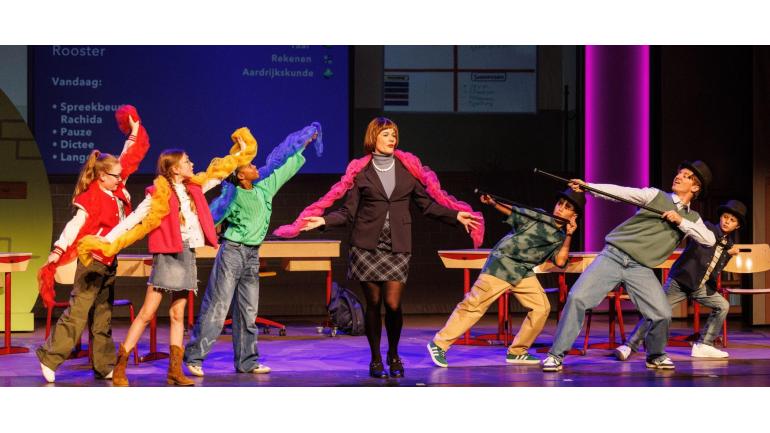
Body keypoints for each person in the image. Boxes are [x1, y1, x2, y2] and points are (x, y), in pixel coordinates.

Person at [276, 117, 483, 379]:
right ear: (373, 137)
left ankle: (393, 354)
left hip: (397, 246)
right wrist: (324, 221)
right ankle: (375, 359)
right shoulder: (361, 172)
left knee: (393, 304)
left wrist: (455, 215)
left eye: (394, 135)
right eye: (386, 134)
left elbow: (427, 205)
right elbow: (348, 212)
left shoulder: (407, 168)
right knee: (373, 303)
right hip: (366, 247)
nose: (392, 139)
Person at [79, 128, 258, 386]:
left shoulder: (193, 188)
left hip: (187, 253)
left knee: (177, 314)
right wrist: (106, 241)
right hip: (168, 255)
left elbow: (217, 174)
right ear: (174, 169)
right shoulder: (158, 194)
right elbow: (134, 219)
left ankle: (175, 370)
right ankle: (120, 365)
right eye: (187, 161)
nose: (192, 164)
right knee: (147, 312)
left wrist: (241, 152)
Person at [542, 161, 716, 372]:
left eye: (686, 176)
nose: (678, 176)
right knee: (577, 297)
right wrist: (588, 187)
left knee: (662, 313)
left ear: (695, 187)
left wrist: (680, 221)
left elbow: (709, 240)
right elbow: (621, 193)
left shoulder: (693, 219)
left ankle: (656, 355)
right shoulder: (655, 195)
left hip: (640, 268)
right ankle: (556, 355)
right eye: (679, 173)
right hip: (614, 255)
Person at [183, 123, 321, 377]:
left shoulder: (264, 189)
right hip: (232, 253)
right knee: (218, 306)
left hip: (252, 255)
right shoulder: (232, 197)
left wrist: (303, 144)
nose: (255, 167)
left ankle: (247, 361)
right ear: (240, 175)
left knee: (248, 310)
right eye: (249, 166)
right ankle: (194, 357)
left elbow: (286, 169)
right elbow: (209, 218)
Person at [36, 106, 149, 383]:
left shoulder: (117, 189)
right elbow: (73, 226)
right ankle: (49, 357)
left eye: (120, 175)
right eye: (116, 176)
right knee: (77, 313)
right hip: (91, 263)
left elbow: (128, 156)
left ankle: (103, 364)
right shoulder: (91, 197)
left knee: (103, 315)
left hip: (109, 262)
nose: (121, 178)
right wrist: (57, 251)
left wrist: (134, 129)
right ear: (102, 176)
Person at [427, 189, 582, 367]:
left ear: (574, 216)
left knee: (541, 307)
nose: (560, 208)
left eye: (567, 207)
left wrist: (569, 234)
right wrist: (493, 203)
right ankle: (439, 344)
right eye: (560, 203)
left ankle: (517, 351)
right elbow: (513, 211)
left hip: (522, 271)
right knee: (473, 305)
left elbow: (561, 261)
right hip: (502, 263)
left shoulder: (561, 236)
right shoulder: (539, 216)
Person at [615, 199, 747, 360]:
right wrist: (727, 250)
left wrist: (727, 253)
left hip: (700, 285)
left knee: (723, 305)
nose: (727, 221)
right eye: (725, 217)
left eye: (732, 220)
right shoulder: (706, 229)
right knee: (656, 311)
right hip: (681, 281)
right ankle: (629, 346)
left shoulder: (729, 244)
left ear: (737, 226)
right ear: (720, 217)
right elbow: (709, 245)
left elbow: (716, 266)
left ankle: (704, 345)